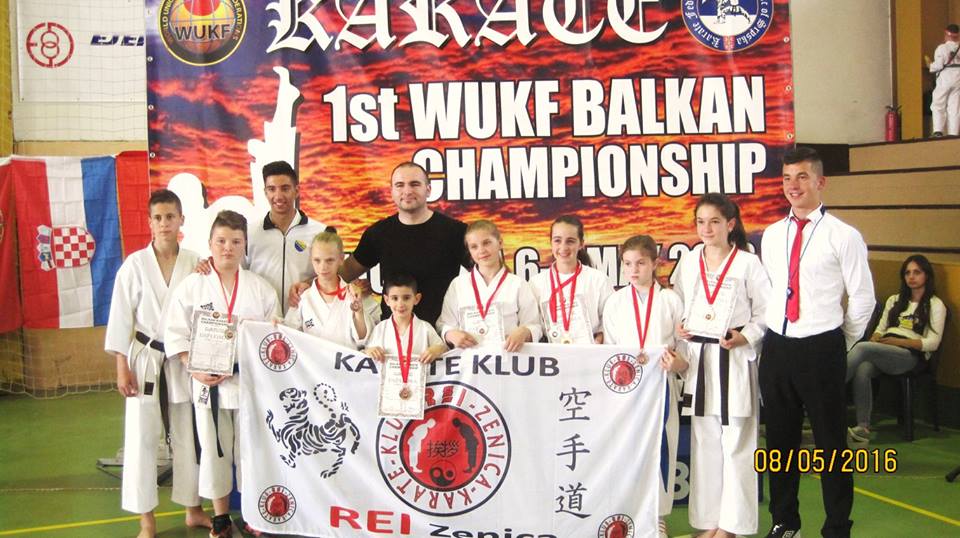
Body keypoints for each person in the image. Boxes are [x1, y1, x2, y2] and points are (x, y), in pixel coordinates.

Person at [759, 147, 875, 538]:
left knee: (831, 443)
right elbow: (772, 290)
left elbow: (862, 298)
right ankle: (784, 521)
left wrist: (841, 341)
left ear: (820, 181)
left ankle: (837, 527)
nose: (793, 185)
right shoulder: (772, 235)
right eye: (787, 178)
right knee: (779, 441)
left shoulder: (844, 236)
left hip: (822, 347)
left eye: (803, 177)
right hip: (778, 346)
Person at [165, 210, 280, 538]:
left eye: (235, 241)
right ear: (210, 243)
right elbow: (175, 331)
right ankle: (219, 517)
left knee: (251, 452)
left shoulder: (260, 288)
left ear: (245, 245)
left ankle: (252, 514)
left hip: (249, 384)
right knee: (214, 450)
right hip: (209, 384)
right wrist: (192, 365)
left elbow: (275, 334)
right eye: (221, 241)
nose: (228, 247)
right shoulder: (192, 286)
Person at [104, 189, 209, 537]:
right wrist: (121, 365)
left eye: (170, 217)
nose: (165, 224)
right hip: (144, 357)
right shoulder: (134, 265)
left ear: (181, 220)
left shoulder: (195, 262)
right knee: (142, 438)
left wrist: (208, 273)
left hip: (181, 358)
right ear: (149, 222)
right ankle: (146, 519)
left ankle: (193, 508)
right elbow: (121, 318)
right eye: (158, 218)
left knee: (187, 434)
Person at [670, 193, 770, 538]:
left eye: (714, 221)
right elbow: (679, 304)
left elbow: (766, 312)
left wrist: (746, 336)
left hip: (734, 358)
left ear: (730, 224)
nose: (707, 229)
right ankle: (708, 522)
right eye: (701, 222)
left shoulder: (748, 263)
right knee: (705, 443)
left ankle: (732, 526)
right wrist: (680, 327)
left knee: (737, 444)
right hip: (699, 360)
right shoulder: (689, 261)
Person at [602, 235, 687, 538]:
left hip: (661, 386)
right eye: (627, 264)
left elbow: (684, 351)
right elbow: (609, 350)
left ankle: (658, 515)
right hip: (625, 390)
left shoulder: (670, 300)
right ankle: (627, 513)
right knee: (626, 450)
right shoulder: (615, 302)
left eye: (640, 263)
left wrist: (677, 364)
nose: (633, 270)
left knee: (662, 448)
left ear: (655, 263)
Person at [340, 162, 469, 323]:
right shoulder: (378, 233)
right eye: (400, 185)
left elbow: (491, 274)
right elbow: (339, 275)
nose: (407, 191)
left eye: (415, 184)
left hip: (444, 332)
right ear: (392, 192)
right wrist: (352, 288)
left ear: (428, 189)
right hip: (393, 333)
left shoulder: (456, 232)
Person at [845, 254, 946, 442]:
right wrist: (877, 338)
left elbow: (933, 343)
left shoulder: (935, 304)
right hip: (885, 349)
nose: (911, 277)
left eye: (917, 272)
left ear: (927, 275)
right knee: (863, 368)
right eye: (907, 273)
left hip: (910, 355)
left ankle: (824, 390)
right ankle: (863, 426)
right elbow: (880, 329)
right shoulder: (895, 300)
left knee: (862, 348)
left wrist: (897, 342)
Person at [437, 220, 542, 352]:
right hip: (469, 360)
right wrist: (450, 334)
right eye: (474, 247)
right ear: (469, 251)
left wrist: (525, 332)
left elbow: (535, 326)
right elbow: (443, 324)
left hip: (509, 359)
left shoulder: (518, 284)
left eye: (486, 243)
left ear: (500, 243)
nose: (481, 250)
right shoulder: (458, 285)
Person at [245, 160, 325, 313]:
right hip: (261, 319)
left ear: (297, 190)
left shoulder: (320, 232)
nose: (278, 196)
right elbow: (235, 273)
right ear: (265, 192)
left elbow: (332, 276)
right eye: (272, 189)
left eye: (285, 188)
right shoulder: (249, 233)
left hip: (304, 319)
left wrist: (309, 284)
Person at [283, 229, 379, 349]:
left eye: (329, 260)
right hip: (312, 360)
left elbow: (364, 339)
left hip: (346, 360)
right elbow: (288, 335)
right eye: (317, 260)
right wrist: (276, 326)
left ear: (341, 259)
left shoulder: (354, 294)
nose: (323, 267)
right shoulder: (303, 298)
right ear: (311, 259)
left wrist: (358, 311)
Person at [530, 216, 614, 344]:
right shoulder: (536, 283)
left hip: (591, 351)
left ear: (581, 244)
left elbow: (611, 319)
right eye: (557, 240)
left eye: (570, 241)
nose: (563, 247)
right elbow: (533, 324)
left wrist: (600, 338)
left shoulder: (598, 279)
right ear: (550, 243)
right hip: (551, 353)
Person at [364, 273, 447, 364]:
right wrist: (370, 351)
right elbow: (366, 352)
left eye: (406, 298)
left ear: (416, 299)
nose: (400, 304)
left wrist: (436, 350)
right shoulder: (380, 328)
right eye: (395, 298)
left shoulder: (425, 327)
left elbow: (443, 348)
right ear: (387, 300)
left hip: (421, 373)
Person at [928, 24, 960, 137]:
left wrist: (930, 66)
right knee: (954, 106)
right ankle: (953, 133)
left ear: (947, 34)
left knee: (938, 103)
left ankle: (938, 130)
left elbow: (938, 65)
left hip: (945, 78)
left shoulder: (942, 48)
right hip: (958, 78)